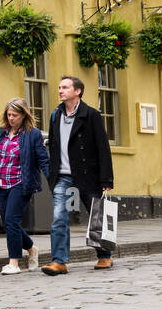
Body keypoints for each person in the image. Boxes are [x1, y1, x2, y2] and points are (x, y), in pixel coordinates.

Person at [42, 75, 115, 275]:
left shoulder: (91, 115)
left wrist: (106, 178)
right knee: (59, 217)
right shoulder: (56, 115)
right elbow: (55, 145)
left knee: (96, 215)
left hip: (87, 174)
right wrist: (52, 173)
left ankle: (104, 256)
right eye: (59, 87)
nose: (60, 90)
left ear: (77, 91)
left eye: (65, 87)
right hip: (63, 176)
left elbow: (103, 147)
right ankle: (59, 261)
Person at [0, 98, 49, 275]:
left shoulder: (32, 134)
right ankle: (32, 249)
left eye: (15, 115)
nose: (11, 118)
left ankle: (14, 263)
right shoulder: (0, 133)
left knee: (12, 221)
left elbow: (43, 159)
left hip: (21, 184)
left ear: (23, 115)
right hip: (1, 184)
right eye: (9, 114)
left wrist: (53, 181)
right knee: (8, 223)